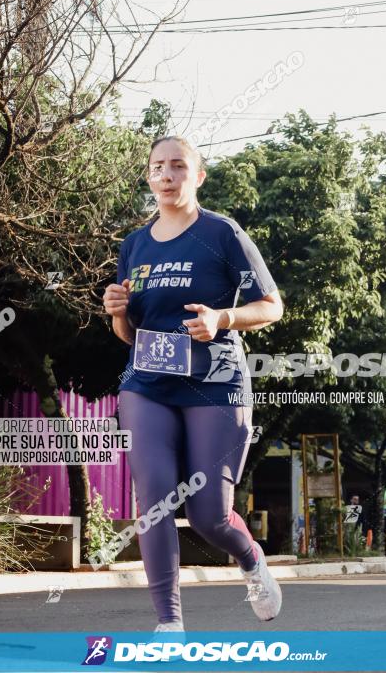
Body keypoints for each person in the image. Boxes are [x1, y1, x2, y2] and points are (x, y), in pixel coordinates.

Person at [103, 135, 284, 632]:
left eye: (178, 166)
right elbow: (129, 333)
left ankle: (250, 560)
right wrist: (117, 313)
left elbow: (272, 305)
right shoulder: (134, 245)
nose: (166, 175)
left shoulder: (222, 233)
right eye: (158, 167)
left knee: (210, 517)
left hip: (215, 383)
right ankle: (169, 623)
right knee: (155, 498)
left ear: (197, 176)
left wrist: (222, 318)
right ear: (148, 176)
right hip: (148, 383)